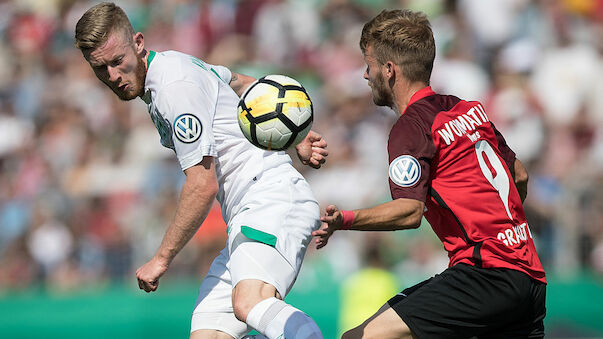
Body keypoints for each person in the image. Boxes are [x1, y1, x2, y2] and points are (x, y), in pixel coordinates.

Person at [74, 3, 326, 339]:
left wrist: (161, 258)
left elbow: (202, 184)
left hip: (271, 198)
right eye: (100, 69)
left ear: (138, 42)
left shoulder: (173, 87)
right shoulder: (175, 65)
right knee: (209, 333)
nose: (113, 76)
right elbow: (240, 82)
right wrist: (294, 133)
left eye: (117, 61)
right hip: (247, 212)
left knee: (250, 303)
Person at [313, 9, 546, 339]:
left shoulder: (411, 128)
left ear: (390, 70)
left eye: (369, 65)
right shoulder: (468, 109)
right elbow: (519, 176)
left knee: (362, 337)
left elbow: (410, 211)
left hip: (485, 275)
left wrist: (344, 220)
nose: (366, 75)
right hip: (529, 275)